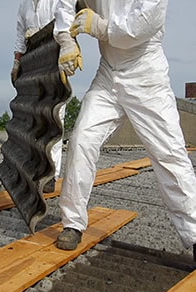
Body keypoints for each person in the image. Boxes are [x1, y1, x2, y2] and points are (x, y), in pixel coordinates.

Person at [53, 0, 196, 261]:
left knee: (169, 155)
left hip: (146, 75)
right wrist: (66, 40)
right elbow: (65, 2)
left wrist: (98, 26)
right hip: (108, 74)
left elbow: (137, 28)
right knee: (82, 139)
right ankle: (72, 223)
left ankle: (195, 235)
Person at [11, 0, 65, 193]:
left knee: (54, 118)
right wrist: (17, 61)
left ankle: (52, 174)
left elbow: (66, 23)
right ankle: (34, 169)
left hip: (53, 60)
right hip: (32, 63)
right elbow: (20, 32)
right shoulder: (25, 4)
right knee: (33, 119)